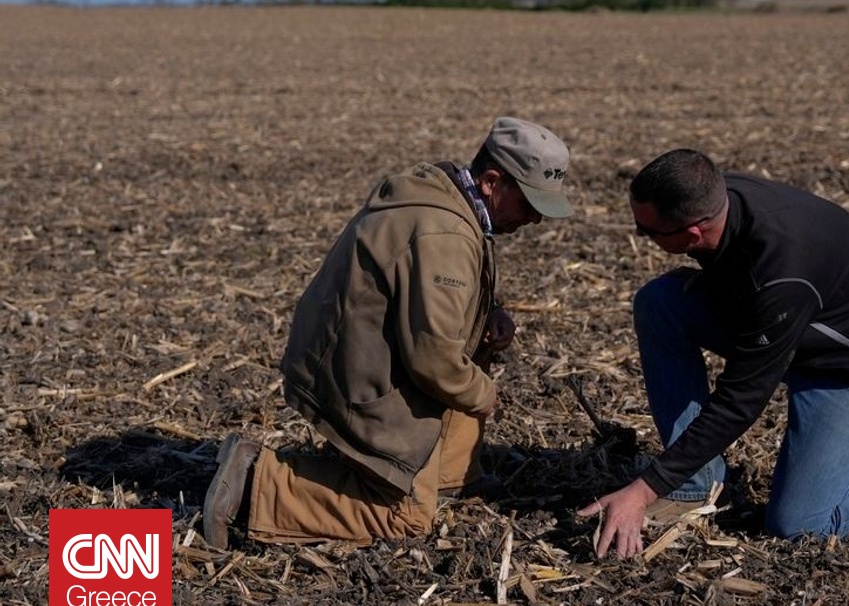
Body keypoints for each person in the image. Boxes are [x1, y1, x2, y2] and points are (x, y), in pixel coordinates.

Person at [578, 149, 849, 559]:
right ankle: (693, 484)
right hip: (795, 325)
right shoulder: (720, 197)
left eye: (647, 231)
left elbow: (740, 400)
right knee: (660, 302)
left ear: (693, 233)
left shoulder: (783, 272)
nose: (638, 234)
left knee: (799, 525)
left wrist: (644, 489)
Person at [203, 117, 574, 549]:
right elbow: (433, 357)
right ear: (493, 181)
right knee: (407, 519)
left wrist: (490, 309)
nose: (535, 219)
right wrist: (484, 393)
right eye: (530, 203)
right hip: (355, 376)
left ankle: (450, 478)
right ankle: (255, 482)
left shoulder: (449, 197)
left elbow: (433, 297)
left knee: (470, 358)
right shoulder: (445, 232)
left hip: (358, 351)